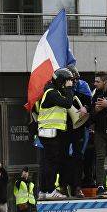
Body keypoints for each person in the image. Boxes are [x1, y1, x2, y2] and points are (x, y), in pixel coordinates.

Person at [36, 68, 75, 199]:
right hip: (50, 133)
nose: (67, 84)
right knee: (51, 163)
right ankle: (50, 190)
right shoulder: (52, 93)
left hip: (48, 132)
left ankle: (44, 190)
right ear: (60, 81)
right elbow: (68, 103)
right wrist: (69, 89)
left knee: (48, 162)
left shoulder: (52, 91)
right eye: (66, 82)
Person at [59, 65, 91, 198]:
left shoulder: (83, 87)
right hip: (64, 126)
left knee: (78, 158)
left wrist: (86, 107)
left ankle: (77, 187)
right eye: (73, 79)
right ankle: (63, 185)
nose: (75, 81)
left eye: (76, 79)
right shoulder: (59, 89)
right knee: (63, 157)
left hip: (79, 126)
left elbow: (90, 101)